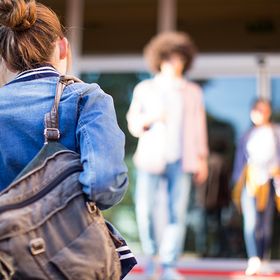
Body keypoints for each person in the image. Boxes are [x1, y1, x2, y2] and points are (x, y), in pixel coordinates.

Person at [0, 0, 128, 274]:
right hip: (64, 260)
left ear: (5, 57)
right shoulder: (85, 98)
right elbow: (104, 185)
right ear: (62, 47)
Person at [126, 31, 208, 280]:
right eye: (171, 58)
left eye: (180, 59)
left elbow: (199, 127)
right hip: (151, 158)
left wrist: (202, 158)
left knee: (177, 212)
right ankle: (152, 258)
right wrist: (151, 118)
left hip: (182, 159)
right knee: (145, 210)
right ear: (159, 59)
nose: (176, 64)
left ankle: (169, 264)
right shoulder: (145, 88)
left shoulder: (192, 91)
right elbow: (133, 123)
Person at [232, 98, 280, 276]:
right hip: (250, 183)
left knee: (266, 224)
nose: (260, 113)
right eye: (257, 110)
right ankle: (254, 259)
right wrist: (236, 184)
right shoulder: (246, 134)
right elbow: (239, 162)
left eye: (264, 110)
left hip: (270, 183)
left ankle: (263, 258)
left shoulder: (276, 132)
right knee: (251, 222)